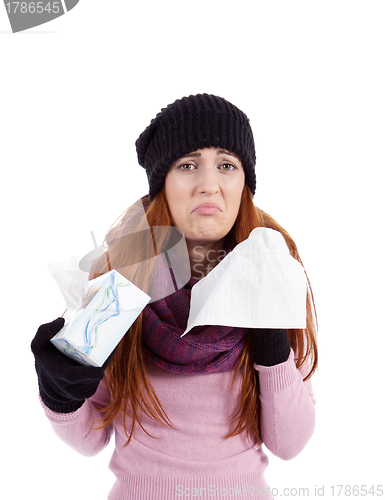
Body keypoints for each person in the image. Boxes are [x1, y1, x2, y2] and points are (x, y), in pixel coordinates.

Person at [31, 94, 318, 500]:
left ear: (245, 184)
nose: (208, 184)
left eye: (226, 165)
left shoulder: (275, 274)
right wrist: (59, 391)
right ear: (162, 182)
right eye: (187, 165)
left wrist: (269, 334)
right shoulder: (119, 285)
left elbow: (289, 442)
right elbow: (89, 440)